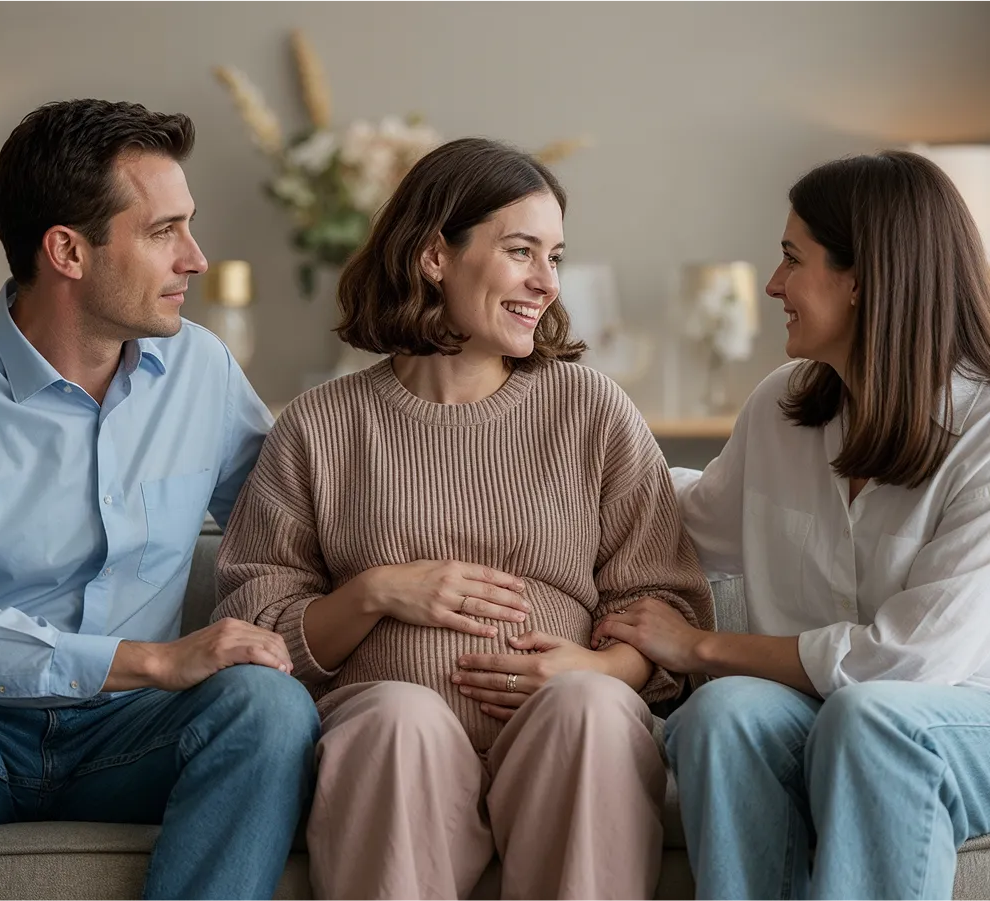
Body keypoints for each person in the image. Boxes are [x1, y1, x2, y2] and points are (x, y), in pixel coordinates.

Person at [214, 136, 714, 901]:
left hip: (563, 731)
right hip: (388, 738)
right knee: (397, 720)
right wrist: (375, 590)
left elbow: (666, 606)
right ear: (434, 257)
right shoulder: (320, 426)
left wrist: (601, 666)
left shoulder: (592, 411)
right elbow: (256, 628)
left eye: (555, 256)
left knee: (588, 709)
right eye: (522, 252)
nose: (546, 282)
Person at [0, 99, 319, 901]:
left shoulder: (201, 369)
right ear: (67, 249)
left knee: (267, 709)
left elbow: (291, 534)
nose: (195, 258)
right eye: (164, 231)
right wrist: (154, 660)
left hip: (135, 734)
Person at [592, 150, 990, 901]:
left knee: (871, 721)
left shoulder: (986, 432)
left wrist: (702, 644)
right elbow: (683, 520)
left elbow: (908, 664)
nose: (773, 285)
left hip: (961, 708)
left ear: (863, 277)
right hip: (838, 705)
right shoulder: (785, 406)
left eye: (790, 259)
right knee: (722, 713)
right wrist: (560, 465)